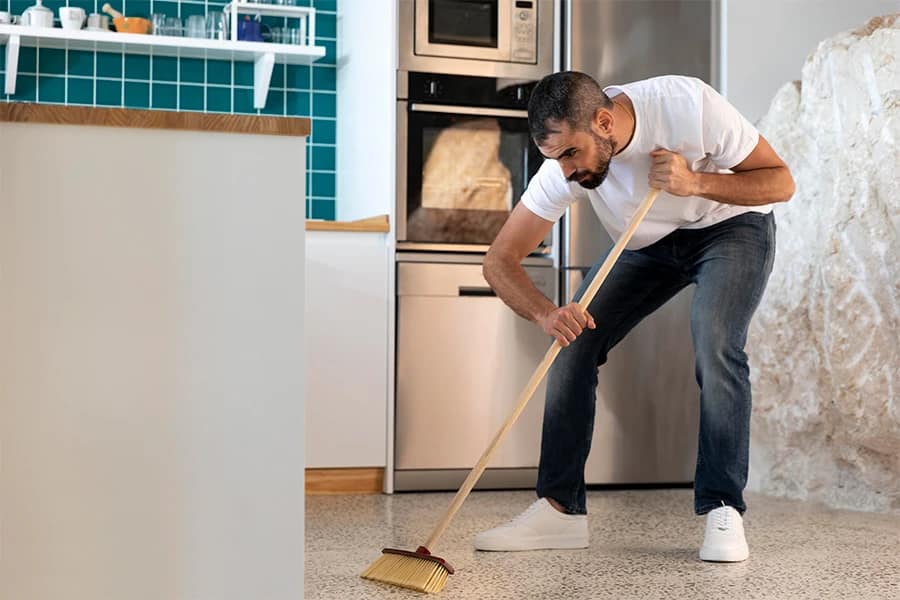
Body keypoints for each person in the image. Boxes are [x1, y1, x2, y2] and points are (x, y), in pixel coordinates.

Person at [475, 71, 794, 562]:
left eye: (570, 155)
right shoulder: (565, 166)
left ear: (604, 122)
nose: (565, 171)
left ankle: (723, 507)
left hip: (730, 229)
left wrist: (694, 182)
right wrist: (545, 315)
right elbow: (500, 260)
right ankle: (559, 511)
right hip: (647, 243)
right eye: (555, 159)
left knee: (715, 343)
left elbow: (780, 182)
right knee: (573, 341)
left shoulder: (688, 105)